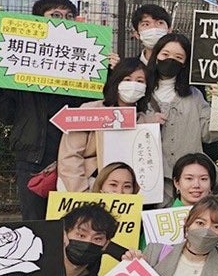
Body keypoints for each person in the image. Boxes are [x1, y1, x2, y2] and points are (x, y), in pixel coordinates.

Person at [0, 0, 88, 218]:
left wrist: (108, 71)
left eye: (69, 17)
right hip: (33, 160)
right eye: (55, 16)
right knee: (36, 224)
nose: (64, 21)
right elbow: (8, 115)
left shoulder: (85, 62)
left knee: (75, 224)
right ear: (38, 22)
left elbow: (96, 108)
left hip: (76, 159)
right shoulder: (20, 64)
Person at [56, 55, 154, 193]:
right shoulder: (90, 110)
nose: (133, 85)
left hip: (126, 193)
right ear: (116, 82)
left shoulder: (144, 120)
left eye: (140, 81)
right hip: (87, 185)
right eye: (127, 80)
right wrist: (81, 193)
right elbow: (70, 156)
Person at [148, 34, 213, 186]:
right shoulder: (141, 92)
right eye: (165, 54)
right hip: (151, 179)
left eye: (178, 57)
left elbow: (209, 133)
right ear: (156, 55)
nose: (171, 60)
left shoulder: (194, 95)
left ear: (185, 62)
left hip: (188, 183)